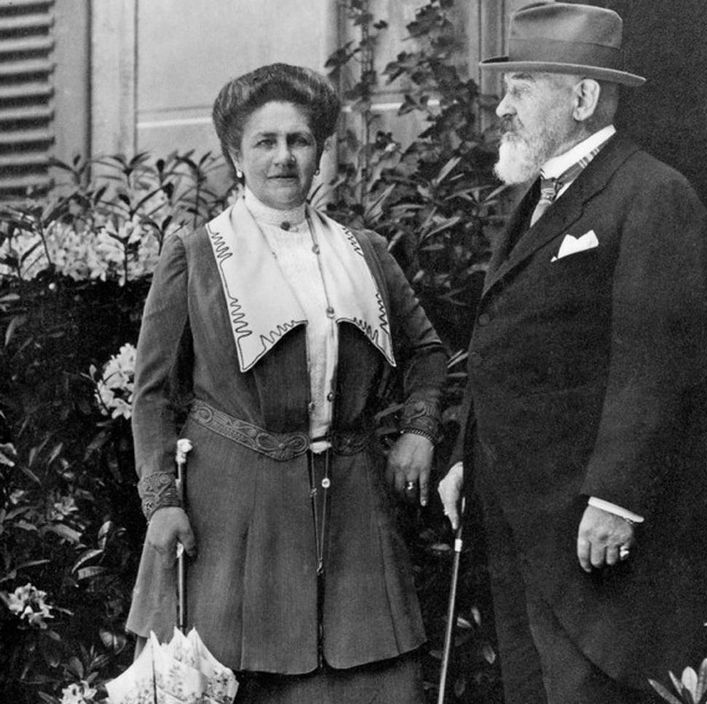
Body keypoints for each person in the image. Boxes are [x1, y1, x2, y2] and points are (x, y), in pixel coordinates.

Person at [126, 63, 446, 704]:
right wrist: (161, 500)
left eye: (299, 140)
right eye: (264, 142)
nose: (284, 157)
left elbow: (427, 354)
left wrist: (419, 431)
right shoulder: (196, 257)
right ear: (235, 157)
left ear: (320, 152)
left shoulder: (365, 252)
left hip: (351, 506)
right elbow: (153, 395)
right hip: (231, 514)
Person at [438, 3, 707, 703]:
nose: (502, 108)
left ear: (584, 97)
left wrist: (617, 497)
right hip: (518, 510)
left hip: (585, 523)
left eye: (521, 88)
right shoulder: (535, 196)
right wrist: (467, 453)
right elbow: (506, 334)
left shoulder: (652, 194)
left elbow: (657, 361)